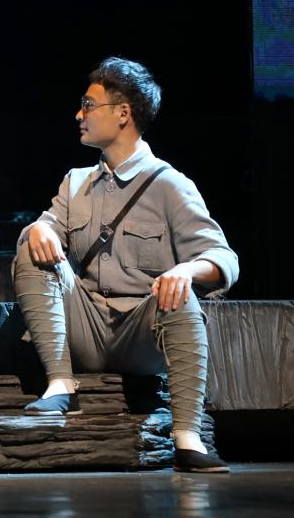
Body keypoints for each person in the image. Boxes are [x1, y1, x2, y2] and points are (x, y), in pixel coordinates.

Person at [12, 57, 237, 473]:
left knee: (179, 295)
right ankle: (60, 384)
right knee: (30, 245)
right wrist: (39, 229)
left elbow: (224, 259)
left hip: (140, 334)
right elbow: (46, 231)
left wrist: (185, 270)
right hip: (84, 327)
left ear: (122, 113)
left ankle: (187, 438)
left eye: (88, 105)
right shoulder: (75, 182)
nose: (78, 115)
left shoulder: (169, 184)